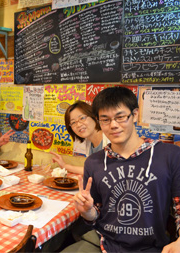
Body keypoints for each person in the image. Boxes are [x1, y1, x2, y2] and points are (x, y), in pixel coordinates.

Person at [63, 87, 180, 252]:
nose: (113, 125)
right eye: (105, 120)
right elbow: (96, 215)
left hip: (151, 248)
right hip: (104, 244)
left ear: (135, 115)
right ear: (98, 121)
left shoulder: (169, 155)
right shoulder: (94, 162)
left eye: (120, 117)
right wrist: (87, 211)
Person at [51, 101, 109, 175]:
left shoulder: (110, 139)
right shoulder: (89, 143)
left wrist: (65, 166)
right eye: (73, 123)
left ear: (94, 116)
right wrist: (64, 166)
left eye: (82, 118)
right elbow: (92, 170)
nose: (78, 125)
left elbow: (103, 172)